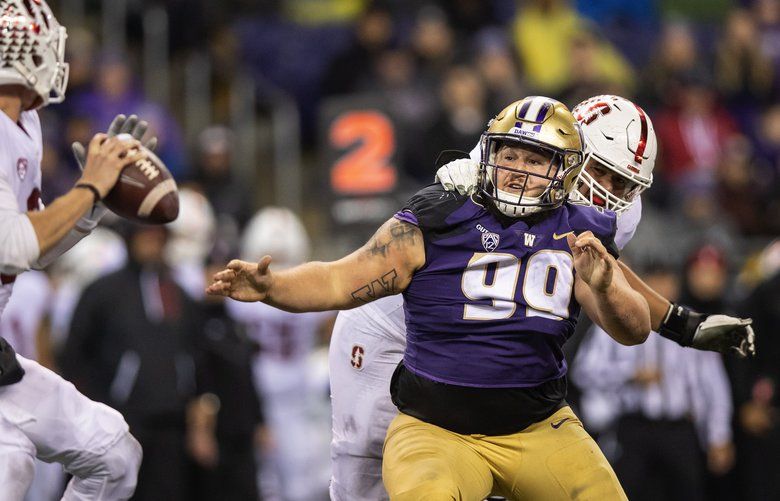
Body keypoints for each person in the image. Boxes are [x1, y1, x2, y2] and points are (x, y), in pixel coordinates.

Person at [208, 96, 652, 499]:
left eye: (534, 160)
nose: (517, 169)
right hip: (435, 426)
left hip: (537, 427)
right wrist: (273, 287)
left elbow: (633, 329)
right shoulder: (442, 213)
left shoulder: (581, 231)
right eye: (508, 154)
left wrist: (607, 284)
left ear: (563, 171)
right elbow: (338, 280)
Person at [325, 94, 755, 500]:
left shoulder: (620, 213)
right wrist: (451, 188)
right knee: (363, 461)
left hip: (485, 348)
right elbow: (411, 239)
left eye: (622, 182)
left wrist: (680, 324)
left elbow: (601, 269)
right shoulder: (515, 152)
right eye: (600, 170)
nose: (606, 190)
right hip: (393, 321)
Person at [0, 1, 152, 498]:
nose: (53, 57)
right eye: (39, 45)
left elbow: (35, 250)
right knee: (10, 462)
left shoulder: (24, 124)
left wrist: (94, 203)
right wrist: (88, 187)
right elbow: (13, 249)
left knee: (113, 455)